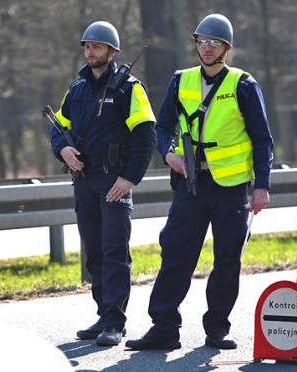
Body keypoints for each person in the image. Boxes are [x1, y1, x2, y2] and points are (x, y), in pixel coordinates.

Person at [125, 14, 274, 351]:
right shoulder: (182, 81)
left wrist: (262, 186)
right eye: (202, 41)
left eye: (214, 43)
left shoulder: (243, 85)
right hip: (191, 183)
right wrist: (168, 156)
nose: (206, 48)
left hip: (232, 186)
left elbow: (262, 139)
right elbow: (162, 129)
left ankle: (217, 329)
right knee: (175, 252)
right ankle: (164, 328)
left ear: (226, 48)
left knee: (226, 259)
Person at [50, 21, 157, 346]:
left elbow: (146, 135)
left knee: (114, 251)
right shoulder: (77, 89)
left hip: (114, 181)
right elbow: (58, 126)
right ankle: (103, 314)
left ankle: (114, 321)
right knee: (93, 252)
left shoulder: (129, 88)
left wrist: (130, 178)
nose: (90, 51)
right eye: (86, 46)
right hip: (83, 180)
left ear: (112, 51)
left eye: (96, 46)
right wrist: (62, 149)